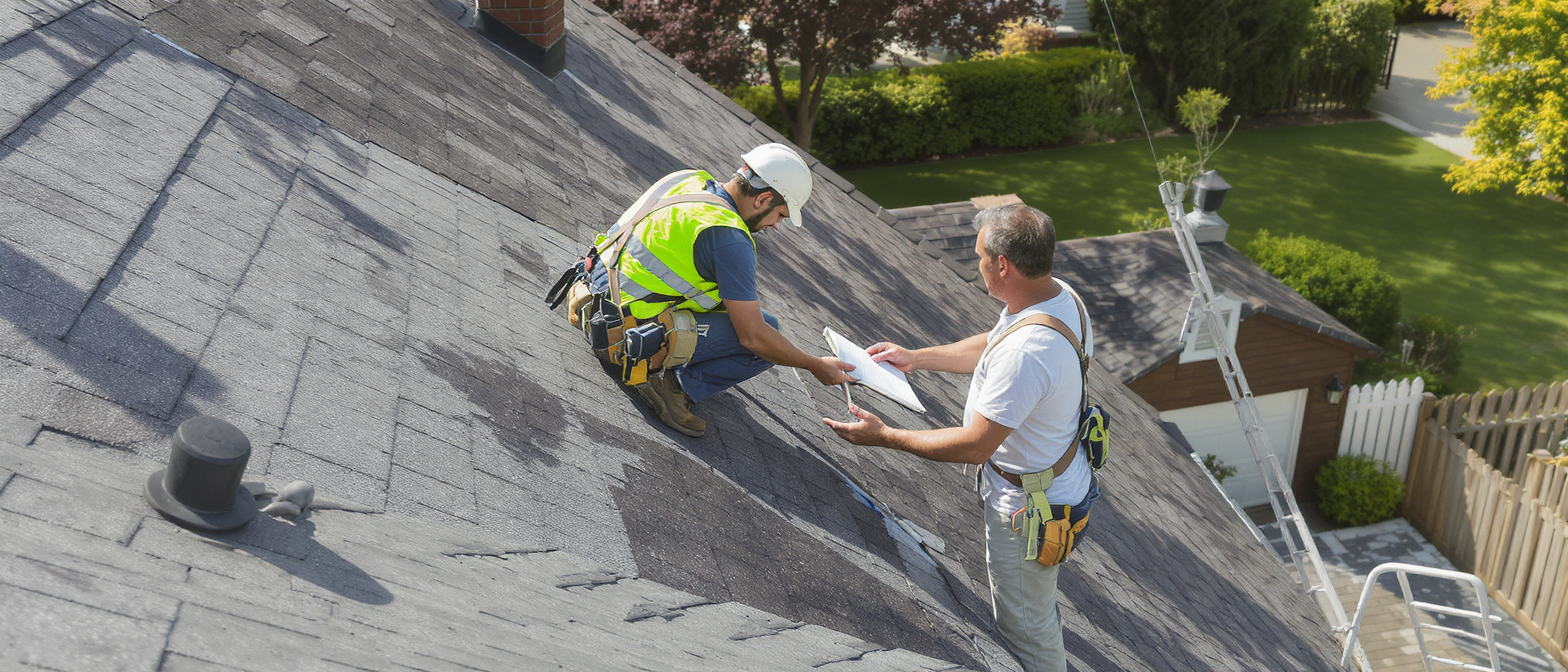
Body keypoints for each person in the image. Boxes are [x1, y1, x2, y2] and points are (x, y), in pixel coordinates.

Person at [822, 203, 1099, 672]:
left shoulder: (1030, 354)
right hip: (1059, 483)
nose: (977, 265)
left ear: (1002, 265)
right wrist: (915, 358)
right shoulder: (1057, 298)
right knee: (1034, 604)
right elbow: (996, 341)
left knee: (1027, 631)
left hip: (1028, 511)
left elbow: (975, 445)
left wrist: (886, 435)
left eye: (979, 257)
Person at [587, 144, 854, 437]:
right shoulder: (729, 237)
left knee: (762, 323)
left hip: (592, 298)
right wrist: (815, 365)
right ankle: (672, 386)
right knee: (766, 341)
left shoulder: (687, 179)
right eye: (780, 215)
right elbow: (754, 337)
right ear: (763, 198)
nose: (776, 225)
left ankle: (671, 365)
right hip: (621, 338)